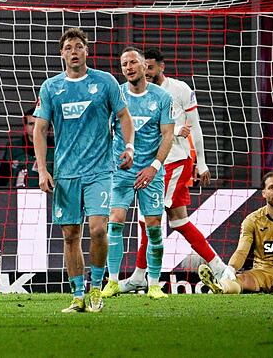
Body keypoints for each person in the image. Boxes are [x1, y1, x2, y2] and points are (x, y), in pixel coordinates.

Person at [34, 27, 135, 313]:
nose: (74, 52)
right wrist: (42, 170)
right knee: (70, 235)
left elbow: (124, 116)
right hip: (66, 173)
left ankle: (96, 289)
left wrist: (129, 147)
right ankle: (77, 295)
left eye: (79, 46)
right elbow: (39, 130)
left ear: (86, 51)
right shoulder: (51, 87)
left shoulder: (105, 82)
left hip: (99, 170)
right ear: (62, 54)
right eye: (68, 48)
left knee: (99, 229)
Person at [117, 47, 228, 293]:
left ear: (161, 67)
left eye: (150, 67)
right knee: (179, 221)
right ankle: (220, 267)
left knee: (148, 219)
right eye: (144, 66)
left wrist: (202, 163)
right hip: (153, 164)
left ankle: (140, 276)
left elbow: (195, 126)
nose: (146, 70)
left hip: (174, 162)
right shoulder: (136, 94)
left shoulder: (179, 90)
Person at [100, 48, 174, 300]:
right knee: (115, 220)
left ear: (144, 66)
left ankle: (153, 284)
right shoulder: (116, 95)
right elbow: (105, 131)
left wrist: (154, 167)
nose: (129, 67)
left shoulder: (162, 97)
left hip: (150, 172)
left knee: (153, 227)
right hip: (120, 170)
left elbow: (168, 136)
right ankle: (112, 281)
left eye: (133, 62)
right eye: (124, 64)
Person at [199, 172, 273, 294]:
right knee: (239, 279)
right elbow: (242, 251)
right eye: (271, 187)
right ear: (264, 193)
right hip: (261, 272)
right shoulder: (252, 220)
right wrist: (231, 268)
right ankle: (221, 287)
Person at [0, 106, 54, 188]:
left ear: (48, 126)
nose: (35, 127)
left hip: (47, 193)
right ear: (25, 126)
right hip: (16, 194)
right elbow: (1, 180)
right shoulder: (13, 148)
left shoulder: (56, 148)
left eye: (38, 124)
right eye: (31, 124)